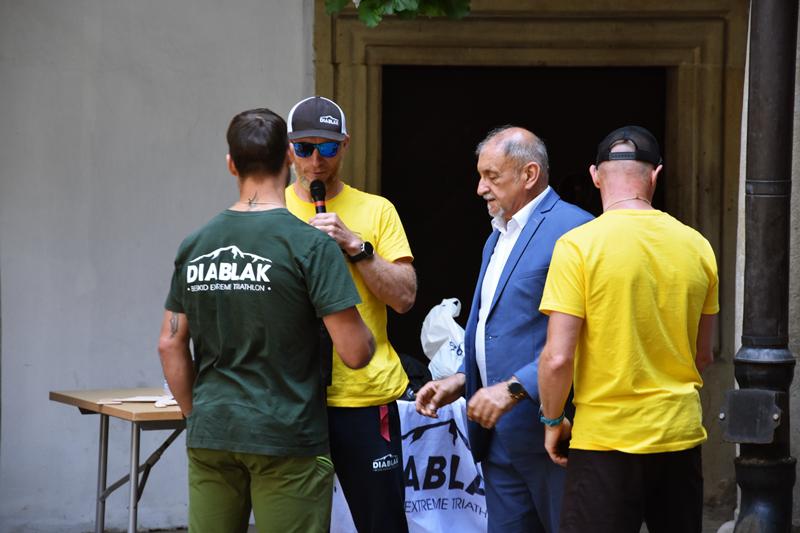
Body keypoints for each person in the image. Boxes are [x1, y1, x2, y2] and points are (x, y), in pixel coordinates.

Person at [157, 107, 375, 533]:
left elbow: (169, 343)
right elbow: (354, 353)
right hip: (286, 434)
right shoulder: (310, 245)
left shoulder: (195, 244)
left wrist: (196, 416)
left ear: (231, 164)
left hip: (213, 432)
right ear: (289, 158)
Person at [537, 125, 718, 533]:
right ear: (656, 175)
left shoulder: (578, 246)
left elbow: (558, 357)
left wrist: (552, 421)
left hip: (605, 440)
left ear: (595, 176)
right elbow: (703, 355)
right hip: (678, 436)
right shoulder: (698, 246)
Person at [415, 126, 592, 533]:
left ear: (529, 175)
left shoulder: (576, 229)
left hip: (553, 435)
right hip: (497, 439)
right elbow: (503, 329)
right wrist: (465, 379)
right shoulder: (497, 234)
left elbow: (588, 335)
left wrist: (513, 389)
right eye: (481, 176)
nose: (480, 188)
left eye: (492, 176)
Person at [285, 96, 416, 533]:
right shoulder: (272, 212)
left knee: (382, 522)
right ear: (288, 150)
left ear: (345, 145)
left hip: (365, 394)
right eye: (304, 148)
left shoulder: (377, 209)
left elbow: (405, 298)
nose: (316, 161)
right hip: (294, 397)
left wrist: (357, 247)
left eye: (327, 148)